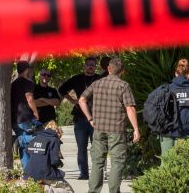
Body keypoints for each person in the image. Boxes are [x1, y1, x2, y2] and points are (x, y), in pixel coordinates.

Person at [79, 57, 140, 193]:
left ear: (108, 69)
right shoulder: (123, 85)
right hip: (117, 130)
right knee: (117, 162)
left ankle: (93, 191)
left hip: (99, 128)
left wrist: (90, 118)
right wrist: (136, 128)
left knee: (97, 162)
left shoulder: (97, 83)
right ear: (122, 71)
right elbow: (130, 108)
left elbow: (81, 99)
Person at [58, 57, 100, 180]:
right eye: (88, 64)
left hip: (96, 118)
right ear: (84, 66)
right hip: (80, 118)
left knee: (97, 147)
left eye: (93, 65)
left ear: (95, 66)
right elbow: (61, 89)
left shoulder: (99, 79)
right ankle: (84, 173)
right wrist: (73, 100)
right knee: (82, 147)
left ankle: (97, 173)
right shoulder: (77, 79)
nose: (90, 66)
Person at [160, 58, 189, 156]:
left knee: (165, 163)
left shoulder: (166, 89)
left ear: (175, 73)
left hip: (167, 130)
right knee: (180, 161)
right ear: (188, 75)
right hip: (184, 131)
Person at [11, 60, 41, 171]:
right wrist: (35, 112)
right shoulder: (28, 83)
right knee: (32, 140)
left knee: (24, 148)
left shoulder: (13, 84)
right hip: (25, 118)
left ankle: (27, 171)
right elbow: (29, 98)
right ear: (27, 70)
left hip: (15, 119)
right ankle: (19, 139)